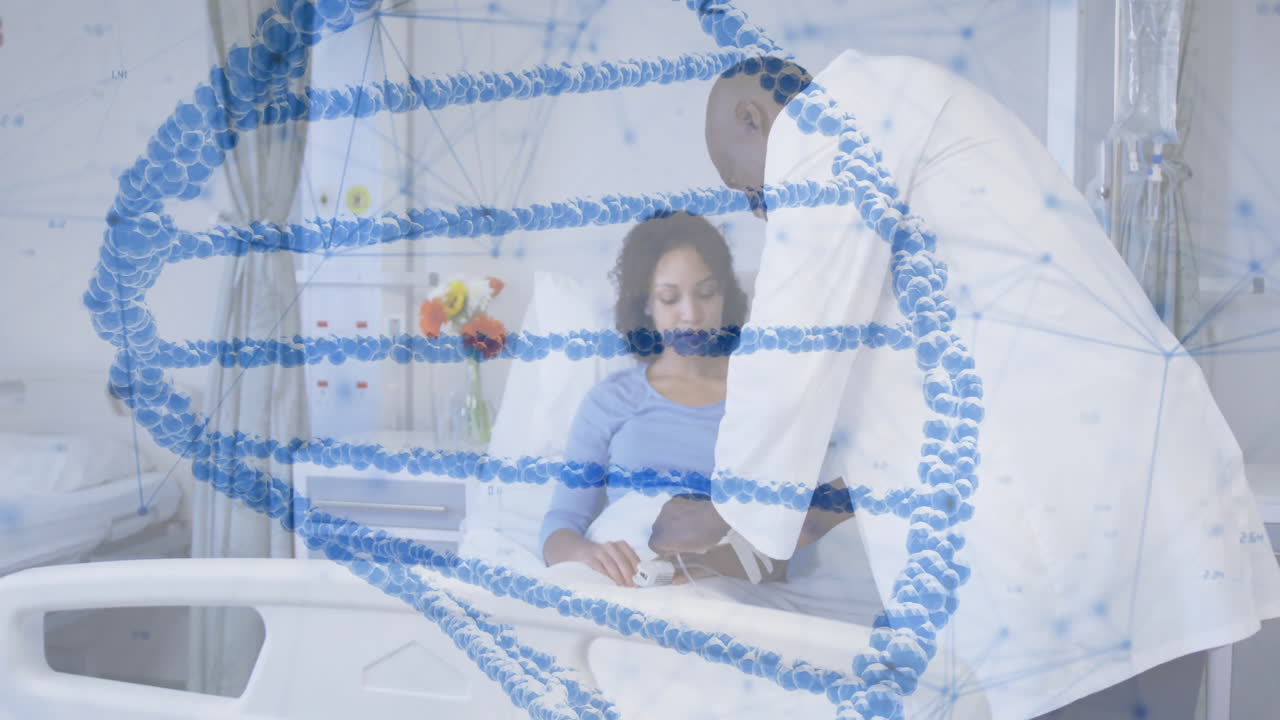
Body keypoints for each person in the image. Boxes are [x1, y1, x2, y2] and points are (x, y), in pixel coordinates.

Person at [649, 48, 1280, 719]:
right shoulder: (912, 109)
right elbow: (935, 369)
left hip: (1065, 534)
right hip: (1144, 508)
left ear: (755, 116)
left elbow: (789, 347)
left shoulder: (827, 122)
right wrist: (830, 503)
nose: (757, 211)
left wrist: (724, 508)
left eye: (748, 189)